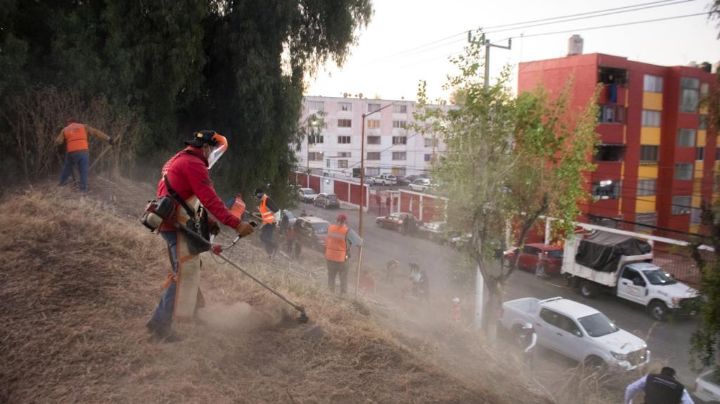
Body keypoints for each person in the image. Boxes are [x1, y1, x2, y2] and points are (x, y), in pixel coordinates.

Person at [146, 130, 255, 342]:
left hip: (173, 222)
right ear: (205, 147)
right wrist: (236, 224)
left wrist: (209, 222)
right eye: (213, 151)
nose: (212, 156)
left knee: (187, 269)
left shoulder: (179, 159)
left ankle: (190, 313)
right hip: (175, 225)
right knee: (184, 273)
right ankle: (160, 326)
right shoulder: (194, 165)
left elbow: (184, 197)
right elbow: (210, 199)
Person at [55, 119, 114, 192]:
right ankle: (83, 190)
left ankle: (61, 184)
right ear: (77, 122)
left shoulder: (65, 129)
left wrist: (59, 144)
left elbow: (58, 141)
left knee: (67, 168)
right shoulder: (84, 126)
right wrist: (109, 139)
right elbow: (96, 132)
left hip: (71, 152)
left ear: (68, 123)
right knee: (83, 171)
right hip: (83, 151)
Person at [325, 213, 361, 294]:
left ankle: (330, 293)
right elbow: (359, 242)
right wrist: (360, 240)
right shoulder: (347, 231)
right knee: (343, 278)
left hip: (330, 257)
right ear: (345, 221)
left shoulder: (330, 228)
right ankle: (343, 295)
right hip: (341, 259)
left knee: (331, 277)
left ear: (337, 220)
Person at [624, 367, 694, 404]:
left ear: (661, 373)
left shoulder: (650, 377)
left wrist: (627, 402)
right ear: (673, 376)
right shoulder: (680, 387)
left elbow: (630, 389)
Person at [255, 188, 279, 259]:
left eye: (256, 195)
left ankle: (275, 246)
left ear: (260, 194)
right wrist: (256, 214)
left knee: (264, 237)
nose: (256, 197)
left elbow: (276, 211)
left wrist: (275, 222)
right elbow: (265, 214)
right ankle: (270, 254)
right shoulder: (263, 201)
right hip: (267, 222)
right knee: (265, 238)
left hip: (271, 222)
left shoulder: (267, 200)